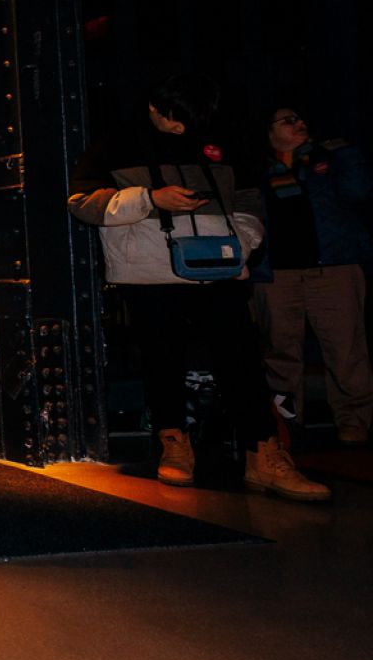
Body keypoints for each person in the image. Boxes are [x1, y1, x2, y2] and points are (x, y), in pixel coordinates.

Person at [67, 77, 327, 500]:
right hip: (149, 271)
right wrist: (150, 198)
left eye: (191, 118)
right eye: (174, 117)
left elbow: (250, 204)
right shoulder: (115, 144)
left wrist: (240, 248)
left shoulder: (219, 140)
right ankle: (175, 446)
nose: (182, 128)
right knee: (161, 358)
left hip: (219, 268)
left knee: (241, 357)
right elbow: (81, 204)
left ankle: (265, 455)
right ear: (154, 106)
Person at [254, 105, 373, 445]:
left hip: (333, 267)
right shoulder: (256, 167)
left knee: (346, 349)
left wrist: (346, 153)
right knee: (280, 352)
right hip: (276, 274)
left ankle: (354, 422)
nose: (300, 123)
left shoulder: (329, 158)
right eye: (288, 120)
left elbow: (359, 191)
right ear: (268, 130)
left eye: (301, 118)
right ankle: (286, 423)